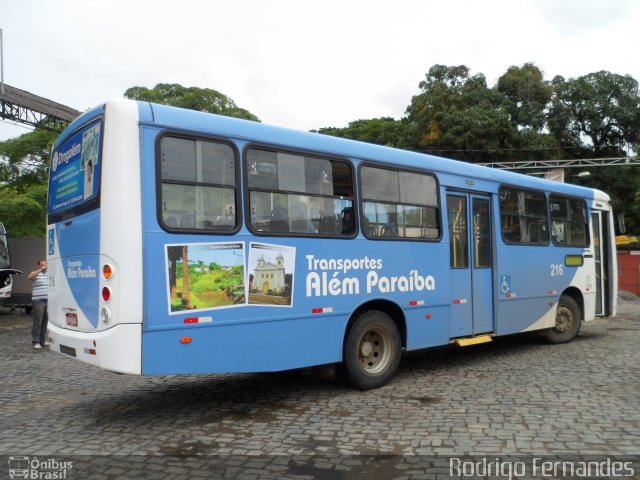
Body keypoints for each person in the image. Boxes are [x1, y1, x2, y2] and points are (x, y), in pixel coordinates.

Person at [28, 259, 48, 350]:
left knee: (45, 322)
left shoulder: (49, 274)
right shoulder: (36, 273)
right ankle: (35, 341)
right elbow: (29, 277)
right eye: (42, 265)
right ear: (39, 266)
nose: (44, 266)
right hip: (38, 300)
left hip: (48, 301)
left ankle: (42, 341)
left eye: (45, 265)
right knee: (37, 322)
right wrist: (40, 270)